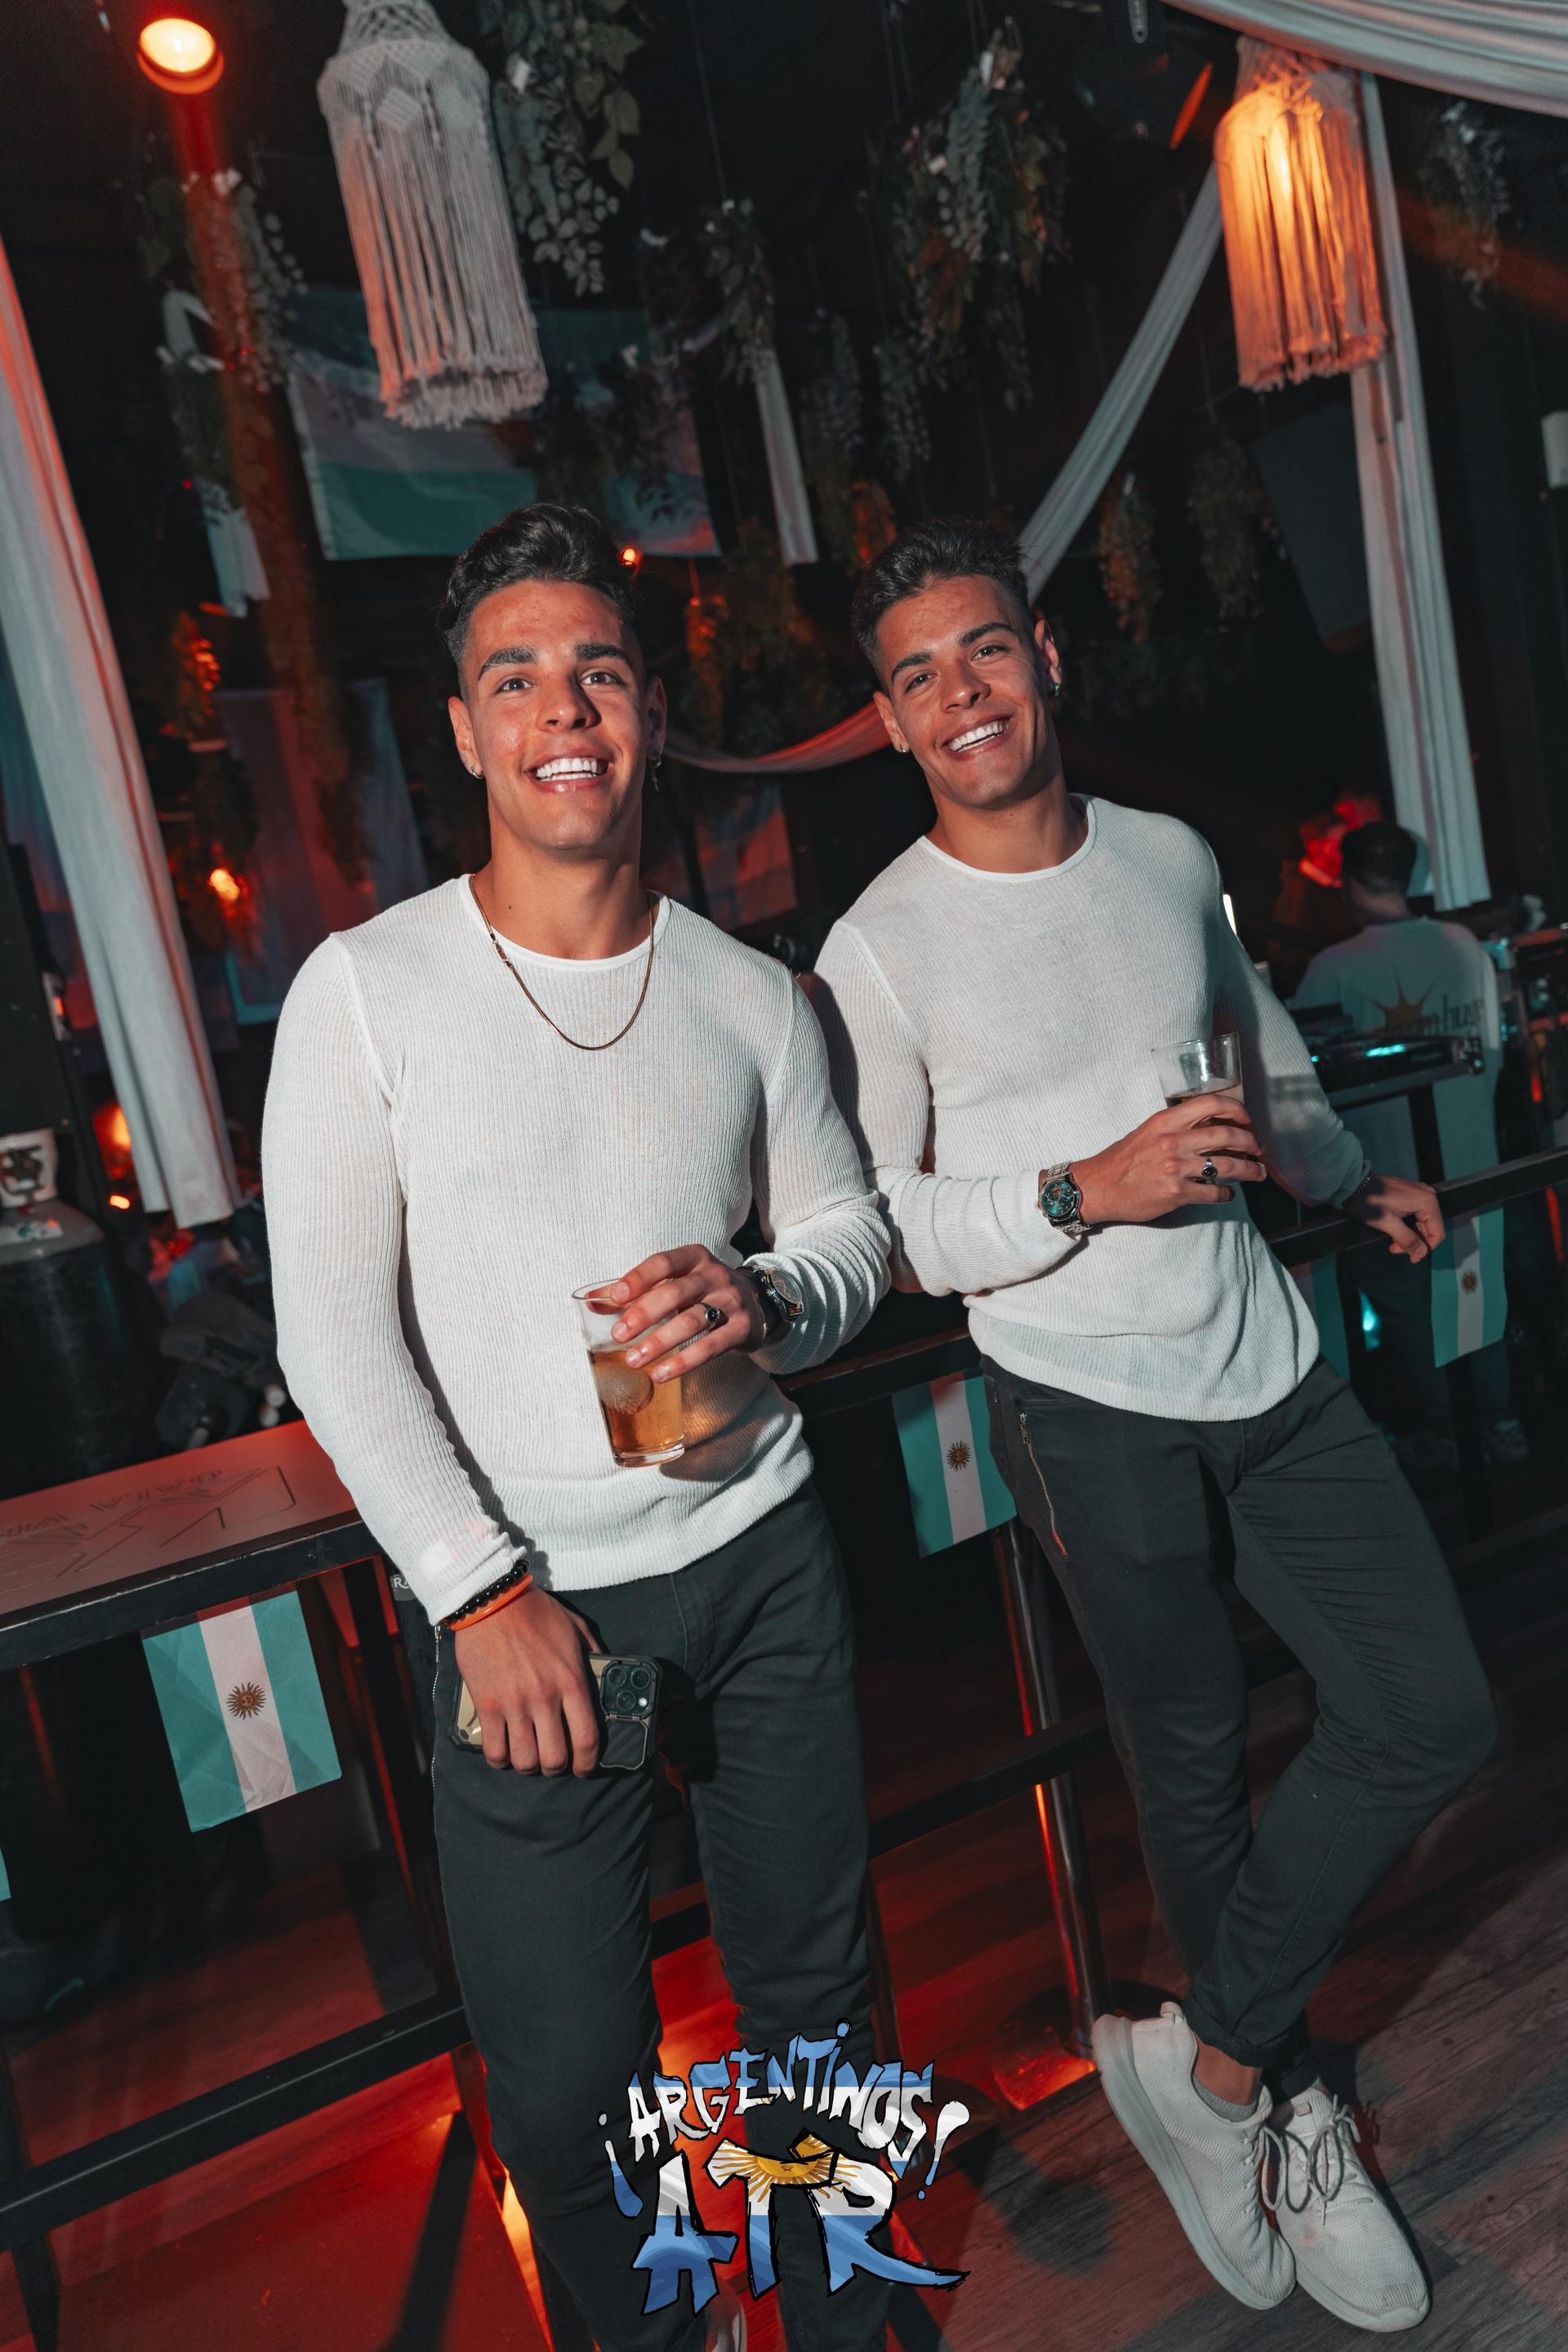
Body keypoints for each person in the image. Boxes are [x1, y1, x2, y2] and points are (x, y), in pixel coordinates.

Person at [813, 518, 1496, 2334]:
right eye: (915, 677)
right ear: (890, 720)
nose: (959, 694)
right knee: (1189, 1769)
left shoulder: (1169, 856)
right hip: (1083, 1399)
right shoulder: (881, 948)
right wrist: (1084, 1189)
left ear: (1046, 654)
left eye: (983, 649)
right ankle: (1287, 2112)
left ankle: (1210, 2073)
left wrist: (1342, 1183)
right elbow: (888, 1228)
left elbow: (1256, 1055)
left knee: (1433, 1710)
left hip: (1264, 1358)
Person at [262, 504, 892, 2352]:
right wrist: (477, 1590)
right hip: (532, 1608)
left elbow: (852, 1236)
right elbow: (331, 1335)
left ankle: (835, 2324)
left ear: (649, 714)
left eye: (599, 672)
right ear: (465, 730)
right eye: (517, 677)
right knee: (566, 2079)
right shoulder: (366, 992)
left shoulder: (749, 991)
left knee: (819, 2003)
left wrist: (765, 1294)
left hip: (760, 1553)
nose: (565, 709)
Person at [1294, 822, 1524, 1468]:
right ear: (1411, 876)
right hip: (1471, 1164)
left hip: (1385, 1182)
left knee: (1407, 1310)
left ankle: (1448, 1436)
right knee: (1474, 1298)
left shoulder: (1332, 968)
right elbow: (1494, 1053)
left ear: (1348, 883)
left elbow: (1303, 1087)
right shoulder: (1463, 945)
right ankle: (1501, 1426)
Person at [1267, 811, 1356, 998]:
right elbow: (1284, 958)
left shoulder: (1343, 885)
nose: (1348, 850)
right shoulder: (1298, 893)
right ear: (1316, 847)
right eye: (1341, 843)